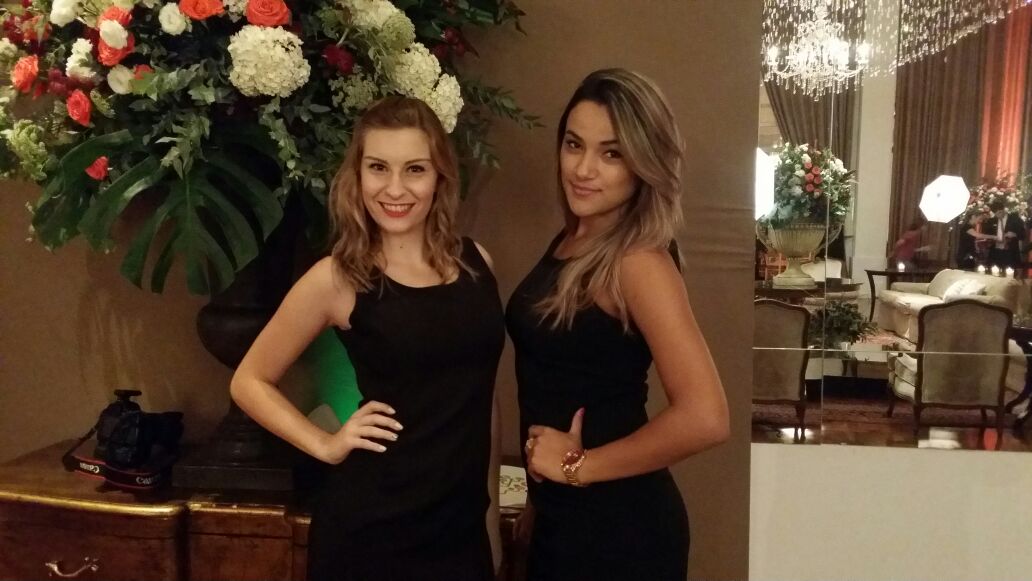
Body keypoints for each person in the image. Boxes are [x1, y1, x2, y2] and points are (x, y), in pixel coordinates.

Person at [230, 96, 505, 581]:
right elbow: (249, 381)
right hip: (372, 530)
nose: (395, 188)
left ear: (439, 176)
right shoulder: (338, 278)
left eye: (414, 169)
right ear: (357, 175)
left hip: (460, 531)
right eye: (378, 167)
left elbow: (483, 399)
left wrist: (492, 520)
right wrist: (326, 445)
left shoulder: (477, 263)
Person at [505, 69, 730, 580]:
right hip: (564, 519)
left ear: (643, 164)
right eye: (574, 145)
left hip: (618, 532)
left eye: (612, 153)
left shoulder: (638, 261)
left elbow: (707, 416)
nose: (583, 169)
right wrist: (542, 499)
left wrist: (577, 468)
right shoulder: (574, 240)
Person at [985, 200, 1026, 270]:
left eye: (1000, 212)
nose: (998, 215)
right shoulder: (991, 221)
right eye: (996, 214)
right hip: (995, 252)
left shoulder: (1015, 219)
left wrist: (1015, 234)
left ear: (1004, 209)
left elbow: (1023, 235)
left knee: (1010, 273)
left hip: (1010, 252)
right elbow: (987, 235)